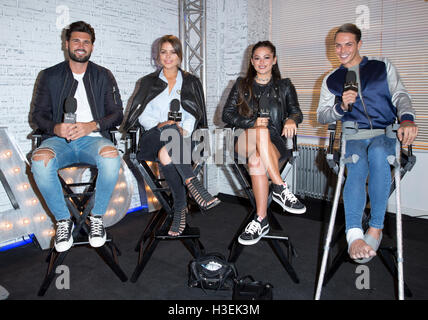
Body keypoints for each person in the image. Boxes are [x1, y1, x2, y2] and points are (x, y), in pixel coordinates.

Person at [317, 23, 418, 263]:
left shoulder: (381, 67)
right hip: (353, 136)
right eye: (338, 45)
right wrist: (340, 107)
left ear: (359, 44)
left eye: (348, 44)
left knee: (379, 153)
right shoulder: (332, 79)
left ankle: (375, 227)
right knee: (357, 164)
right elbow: (322, 115)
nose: (342, 50)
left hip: (385, 133)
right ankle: (354, 235)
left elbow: (401, 95)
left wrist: (406, 120)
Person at [31, 21, 123, 252]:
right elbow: (37, 116)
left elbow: (117, 114)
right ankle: (63, 220)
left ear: (92, 46)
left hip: (93, 139)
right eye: (76, 41)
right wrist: (56, 128)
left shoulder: (104, 75)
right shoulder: (49, 75)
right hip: (58, 141)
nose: (81, 45)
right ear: (66, 44)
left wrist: (92, 125)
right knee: (40, 163)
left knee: (112, 158)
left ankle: (97, 218)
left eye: (86, 42)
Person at [122, 35, 220, 236]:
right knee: (169, 131)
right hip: (153, 137)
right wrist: (160, 124)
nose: (168, 57)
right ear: (158, 56)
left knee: (167, 154)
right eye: (163, 52)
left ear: (179, 55)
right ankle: (193, 184)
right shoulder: (148, 82)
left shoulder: (191, 82)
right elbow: (141, 115)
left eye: (172, 52)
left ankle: (179, 209)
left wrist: (185, 129)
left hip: (183, 139)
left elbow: (195, 113)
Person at [222, 40, 306, 246]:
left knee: (257, 162)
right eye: (257, 58)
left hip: (273, 143)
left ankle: (261, 220)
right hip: (245, 138)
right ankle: (279, 186)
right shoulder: (241, 85)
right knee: (259, 130)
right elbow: (227, 114)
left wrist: (290, 119)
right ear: (251, 61)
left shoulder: (285, 86)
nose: (262, 62)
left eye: (266, 57)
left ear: (274, 60)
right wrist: (252, 122)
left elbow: (297, 112)